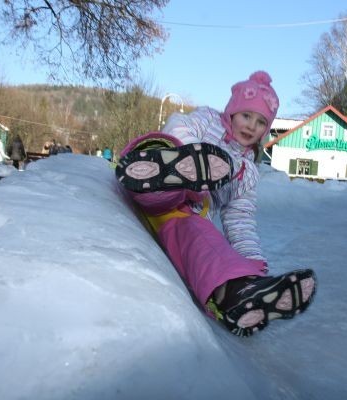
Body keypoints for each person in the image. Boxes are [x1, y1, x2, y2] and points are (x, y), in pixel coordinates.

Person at [115, 71, 316, 337]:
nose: (251, 126)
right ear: (232, 112)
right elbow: (178, 125)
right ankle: (178, 168)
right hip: (158, 189)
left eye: (260, 122)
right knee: (167, 148)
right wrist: (191, 154)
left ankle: (239, 294)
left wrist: (253, 265)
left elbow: (240, 219)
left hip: (183, 214)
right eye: (246, 115)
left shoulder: (246, 172)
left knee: (204, 240)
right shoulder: (208, 120)